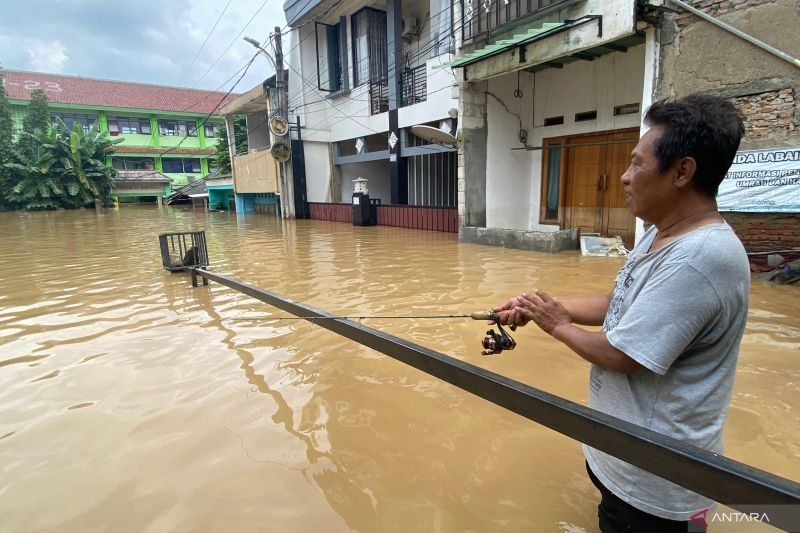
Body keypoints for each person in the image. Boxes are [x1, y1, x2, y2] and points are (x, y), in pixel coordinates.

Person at [493, 94, 749, 532]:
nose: (625, 178)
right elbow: (620, 300)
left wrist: (557, 324)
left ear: (683, 172)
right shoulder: (659, 235)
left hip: (655, 482)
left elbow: (623, 355)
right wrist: (541, 309)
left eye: (637, 165)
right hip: (622, 453)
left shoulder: (700, 259)